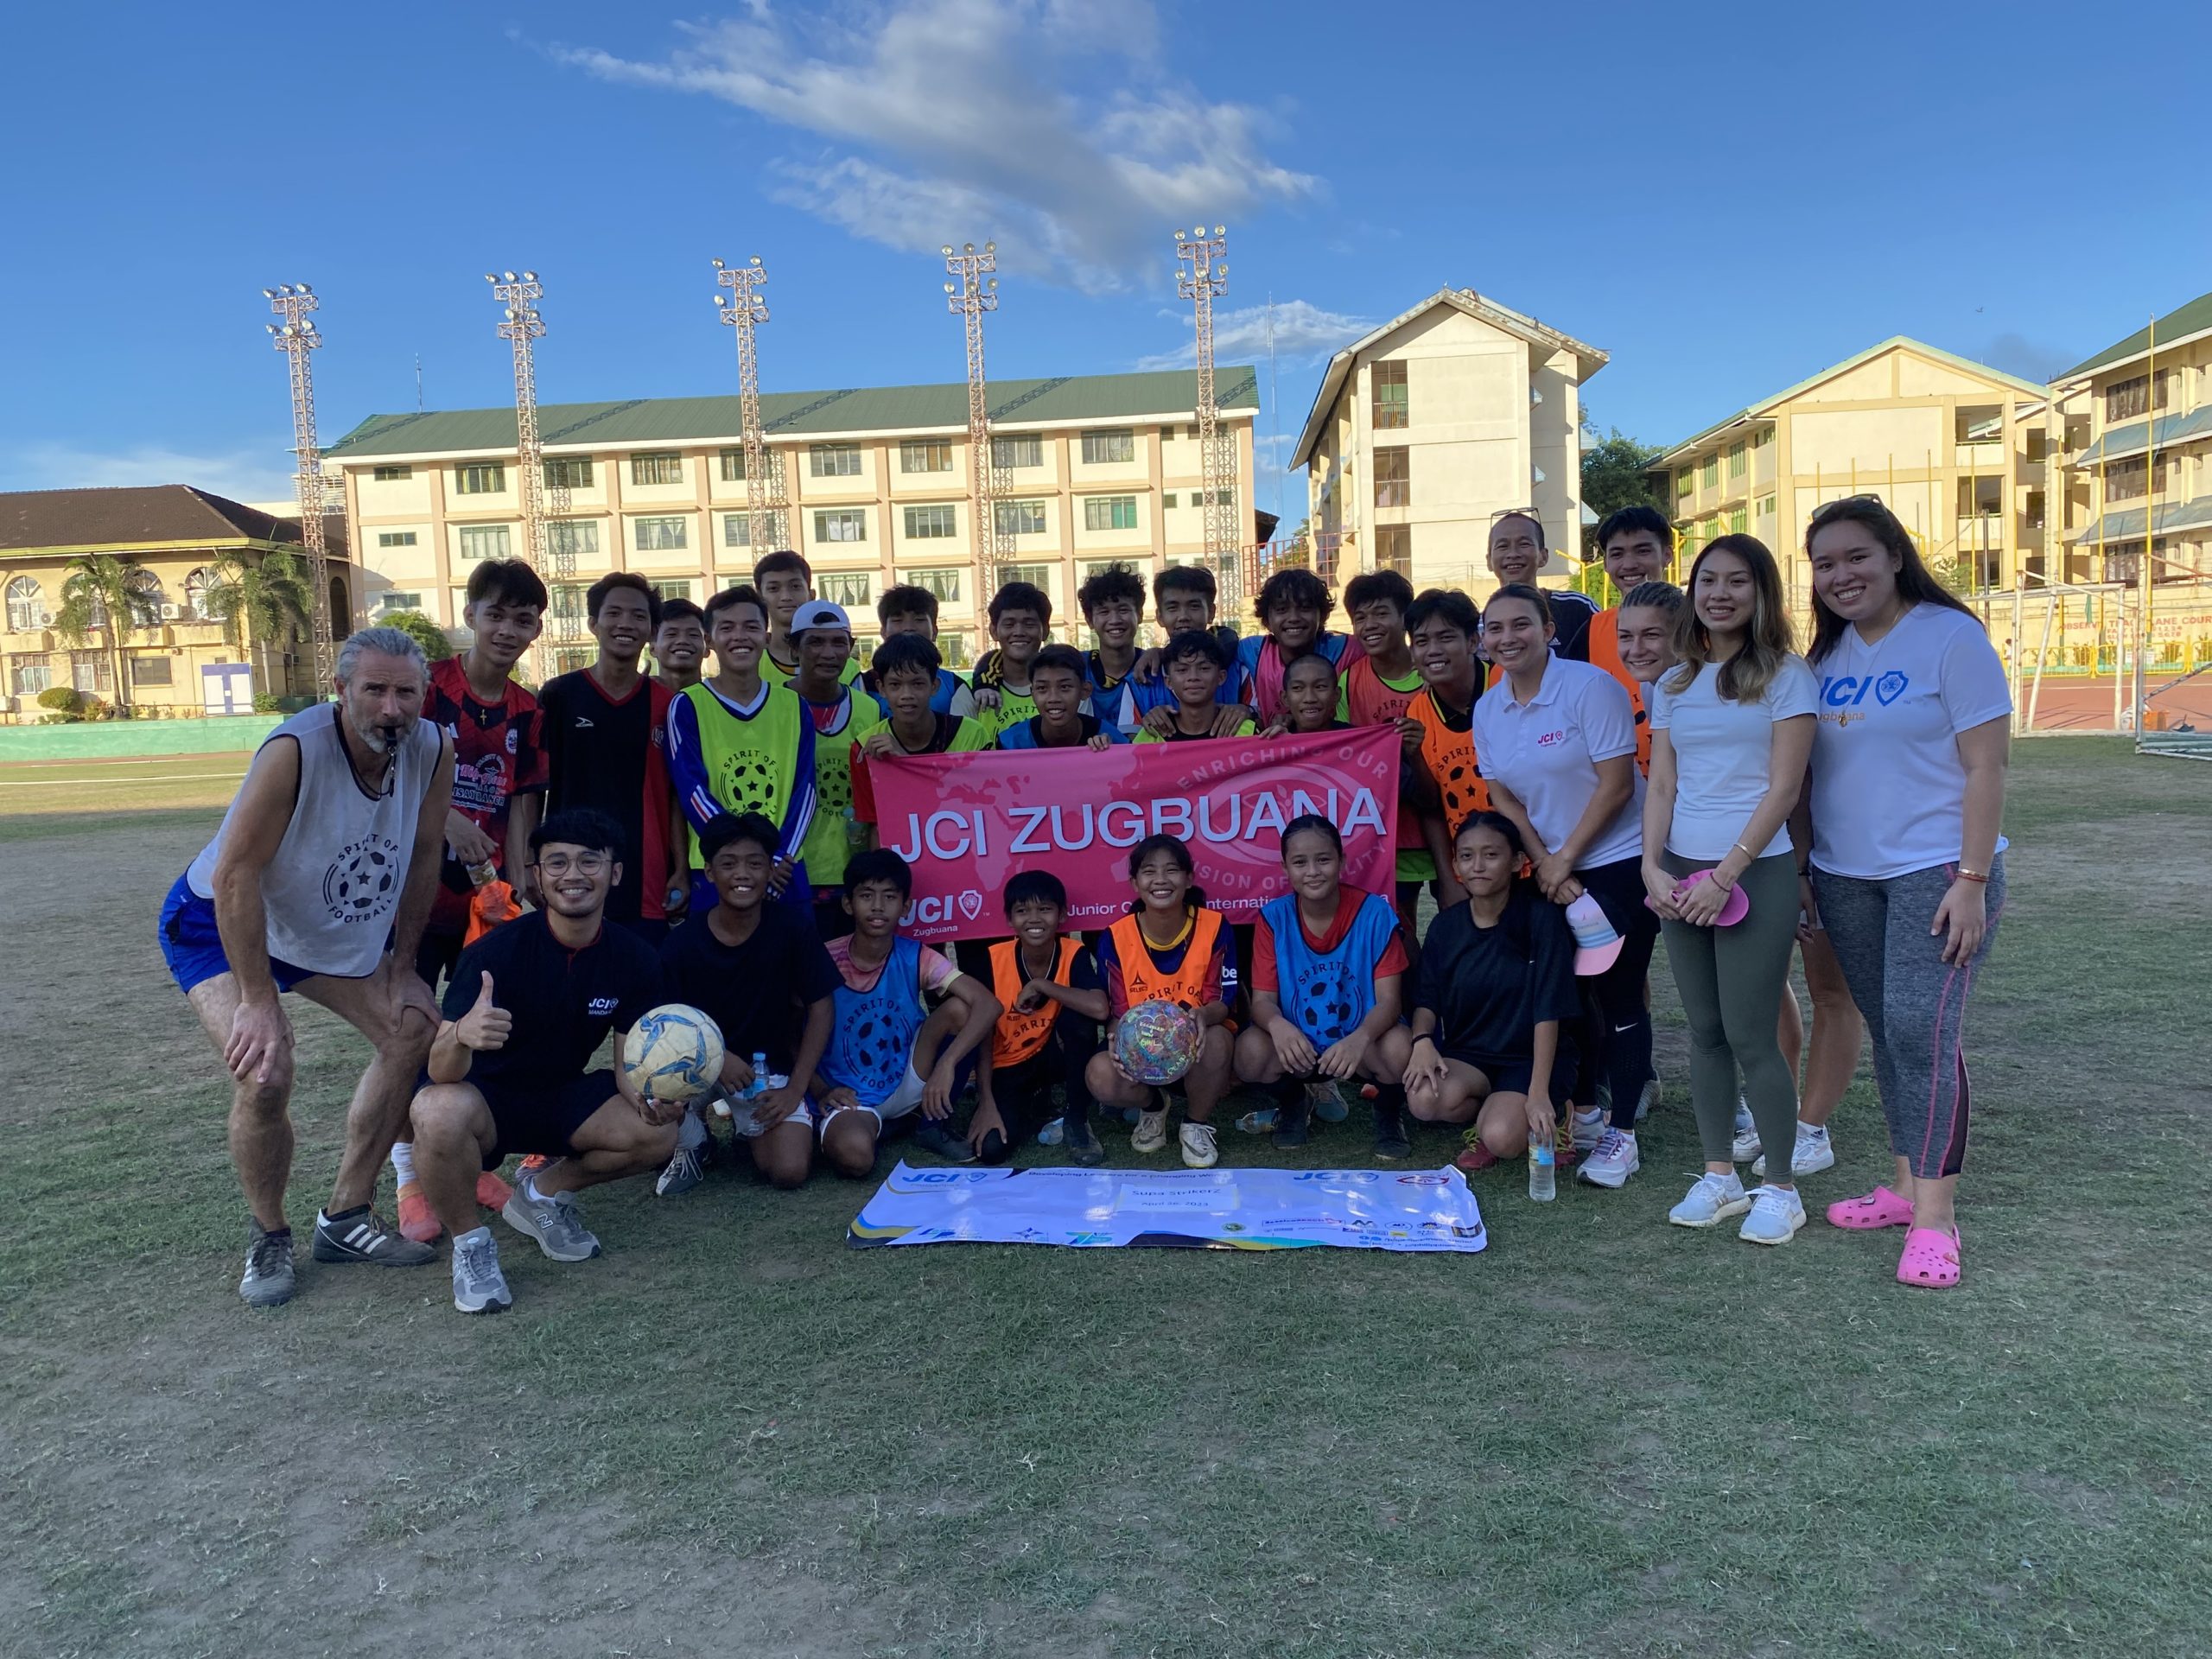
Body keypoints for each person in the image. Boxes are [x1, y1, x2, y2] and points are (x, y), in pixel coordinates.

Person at [157, 625, 454, 1306]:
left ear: (423, 697)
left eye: (405, 693)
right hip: (219, 921)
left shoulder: (433, 749)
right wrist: (259, 1001)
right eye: (374, 690)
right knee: (266, 1072)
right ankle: (269, 1235)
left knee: (415, 1026)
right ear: (340, 690)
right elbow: (235, 876)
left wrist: (404, 965)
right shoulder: (295, 749)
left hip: (320, 930)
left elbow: (425, 855)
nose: (390, 708)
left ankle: (346, 1215)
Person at [1797, 495, 2010, 1288]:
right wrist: (1808, 868)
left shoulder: (1950, 637)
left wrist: (1973, 879)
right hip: (1848, 875)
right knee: (1891, 1033)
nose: (1841, 575)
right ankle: (1900, 1186)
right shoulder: (1826, 660)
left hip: (1937, 872)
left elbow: (1986, 766)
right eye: (1824, 564)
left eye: (1856, 556)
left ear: (1893, 554)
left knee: (1925, 1032)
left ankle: (1936, 1219)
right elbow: (1812, 775)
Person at [404, 809, 677, 1315]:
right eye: (557, 863)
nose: (573, 875)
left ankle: (541, 1195)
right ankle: (472, 1247)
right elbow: (441, 1070)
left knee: (658, 1133)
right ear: (537, 876)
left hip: (560, 1096)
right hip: (484, 1101)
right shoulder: (495, 951)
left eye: (589, 862)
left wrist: (651, 1101)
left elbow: (625, 1064)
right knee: (437, 1111)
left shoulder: (636, 958)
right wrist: (463, 1033)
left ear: (615, 873)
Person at [1642, 536, 1819, 1244]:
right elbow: (1661, 783)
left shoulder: (1786, 676)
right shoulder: (1675, 682)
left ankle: (1780, 1186)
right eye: (1707, 580)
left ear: (1761, 592)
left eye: (1736, 581)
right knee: (1705, 1034)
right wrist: (1653, 867)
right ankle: (1719, 1177)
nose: (1719, 593)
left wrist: (1725, 875)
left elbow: (1784, 788)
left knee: (1752, 1035)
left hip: (1755, 871)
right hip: (1682, 873)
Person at [1471, 582, 1653, 1187]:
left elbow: (1617, 784)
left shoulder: (1588, 687)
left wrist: (1567, 858)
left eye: (1520, 624)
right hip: (1549, 866)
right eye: (1494, 629)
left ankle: (1624, 1134)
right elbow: (1500, 793)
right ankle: (1592, 1116)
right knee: (1567, 996)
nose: (1507, 638)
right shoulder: (1489, 707)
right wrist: (1544, 858)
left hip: (1620, 858)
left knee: (1618, 994)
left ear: (1549, 628)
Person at [655, 811, 838, 1195]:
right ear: (708, 872)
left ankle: (745, 1127)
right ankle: (693, 1137)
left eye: (755, 864)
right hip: (699, 1063)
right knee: (649, 1119)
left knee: (789, 1171)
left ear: (770, 870)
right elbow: (665, 1024)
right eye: (729, 863)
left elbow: (821, 1007)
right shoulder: (681, 943)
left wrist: (796, 1089)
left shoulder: (792, 929)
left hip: (763, 1072)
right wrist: (717, 1057)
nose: (743, 874)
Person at [1401, 812, 1581, 1163]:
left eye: (1491, 855)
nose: (1478, 866)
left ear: (1517, 861)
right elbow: (1428, 998)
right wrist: (1422, 1041)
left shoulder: (1540, 919)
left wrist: (1539, 1092)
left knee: (1501, 1139)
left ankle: (1553, 1113)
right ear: (1455, 864)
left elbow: (1549, 1008)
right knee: (1423, 1099)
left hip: (1529, 1058)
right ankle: (1497, 1109)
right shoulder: (1445, 926)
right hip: (1472, 1055)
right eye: (1467, 856)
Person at [1235, 815, 1415, 1157]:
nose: (1313, 871)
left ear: (1342, 862)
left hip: (1360, 1040)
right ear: (1285, 868)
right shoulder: (1274, 918)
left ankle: (1389, 1113)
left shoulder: (1375, 913)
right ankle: (1294, 1103)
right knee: (1249, 1053)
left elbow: (1390, 1002)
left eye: (1324, 859)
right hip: (1301, 1043)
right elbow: (1263, 1001)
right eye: (1300, 862)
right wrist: (1279, 1027)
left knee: (1399, 1049)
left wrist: (1359, 1039)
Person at [815, 849, 1003, 1175]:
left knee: (964, 1008)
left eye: (889, 897)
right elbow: (791, 1028)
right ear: (848, 904)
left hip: (908, 1075)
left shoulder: (915, 955)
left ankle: (931, 1123)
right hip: (850, 1094)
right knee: (856, 1159)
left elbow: (989, 1004)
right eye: (866, 896)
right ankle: (892, 1123)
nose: (877, 906)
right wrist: (820, 1090)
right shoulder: (825, 959)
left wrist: (947, 1064)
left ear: (905, 907)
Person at [416, 557, 549, 992]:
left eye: (522, 620)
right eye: (495, 615)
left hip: (482, 896)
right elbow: (390, 777)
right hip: (414, 887)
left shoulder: (528, 710)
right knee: (405, 1018)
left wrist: (511, 885)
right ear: (471, 615)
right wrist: (448, 821)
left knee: (475, 1017)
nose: (507, 631)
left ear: (537, 631)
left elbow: (518, 805)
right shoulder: (428, 687)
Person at [537, 573, 683, 942]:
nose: (625, 624)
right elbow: (533, 788)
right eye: (614, 613)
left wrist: (680, 867)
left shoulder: (667, 705)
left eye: (638, 616)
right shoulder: (559, 695)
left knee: (643, 984)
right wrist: (530, 860)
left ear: (651, 630)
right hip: (570, 868)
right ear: (592, 624)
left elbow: (675, 795)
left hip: (645, 874)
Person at [1085, 834, 1236, 1167]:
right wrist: (1115, 1040)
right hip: (1143, 1050)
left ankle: (1195, 1124)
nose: (1161, 880)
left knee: (1219, 1040)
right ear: (1135, 882)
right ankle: (1154, 1108)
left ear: (1188, 878)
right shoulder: (1116, 936)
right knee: (1100, 1074)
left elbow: (1222, 1001)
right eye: (1149, 872)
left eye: (1172, 870)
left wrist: (1202, 1014)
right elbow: (1117, 1010)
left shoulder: (1214, 926)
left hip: (1196, 1043)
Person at [666, 584, 816, 917]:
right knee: (720, 967)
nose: (740, 636)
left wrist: (774, 858)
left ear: (765, 635)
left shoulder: (794, 706)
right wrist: (744, 860)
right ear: (710, 641)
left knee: (791, 966)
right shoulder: (687, 706)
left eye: (750, 627)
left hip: (783, 870)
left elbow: (805, 791)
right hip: (717, 870)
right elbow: (691, 791)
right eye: (727, 628)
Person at [970, 871, 1109, 1166]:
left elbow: (1099, 1009)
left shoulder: (1074, 953)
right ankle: (1034, 1103)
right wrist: (986, 1102)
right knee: (991, 1151)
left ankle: (1076, 1116)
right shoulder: (993, 959)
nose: (1034, 919)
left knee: (1079, 1019)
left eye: (1045, 909)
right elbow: (980, 1036)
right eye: (1023, 911)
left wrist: (1041, 986)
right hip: (1007, 1064)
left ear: (1062, 915)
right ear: (1010, 919)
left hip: (1052, 1056)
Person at [1340, 569, 1433, 947]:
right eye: (1360, 618)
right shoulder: (1348, 681)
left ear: (1404, 618)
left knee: (1463, 926)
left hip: (1449, 824)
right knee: (1401, 933)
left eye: (1380, 614)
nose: (1369, 625)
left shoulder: (1435, 670)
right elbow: (1341, 753)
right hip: (1390, 836)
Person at [788, 599, 887, 939]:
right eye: (815, 642)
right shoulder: (775, 704)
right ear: (793, 648)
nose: (828, 652)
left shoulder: (868, 708)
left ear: (852, 648)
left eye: (838, 642)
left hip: (852, 871)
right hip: (792, 869)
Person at [850, 633, 996, 845]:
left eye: (917, 684)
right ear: (881, 689)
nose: (906, 694)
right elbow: (876, 827)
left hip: (967, 849)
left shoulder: (972, 734)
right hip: (901, 860)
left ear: (934, 686)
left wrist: (903, 766)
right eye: (895, 685)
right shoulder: (864, 747)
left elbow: (983, 807)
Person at [1403, 588, 1492, 908]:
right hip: (1469, 869)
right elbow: (1431, 807)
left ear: (1473, 642)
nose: (1433, 650)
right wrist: (1448, 878)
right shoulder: (1418, 711)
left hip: (1526, 859)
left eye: (1446, 637)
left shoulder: (1506, 687)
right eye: (1422, 641)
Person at [1116, 565, 1249, 735]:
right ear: (1159, 617)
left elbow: (1264, 728)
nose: (1183, 616)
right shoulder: (1139, 682)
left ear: (1211, 612)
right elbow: (1128, 748)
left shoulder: (1239, 672)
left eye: (1194, 606)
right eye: (1173, 607)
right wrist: (1147, 729)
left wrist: (1248, 712)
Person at [1592, 510, 1675, 771]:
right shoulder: (1592, 629)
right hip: (1625, 793)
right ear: (1605, 563)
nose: (1629, 564)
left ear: (1667, 555)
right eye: (1617, 554)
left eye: (1642, 550)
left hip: (1695, 793)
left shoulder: (1702, 625)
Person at [1234, 568, 1364, 728]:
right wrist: (1247, 710)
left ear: (1322, 616)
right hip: (1277, 751)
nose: (1294, 618)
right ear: (1267, 620)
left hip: (1335, 750)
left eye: (1305, 608)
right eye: (1282, 609)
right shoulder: (1251, 650)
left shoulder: (1348, 648)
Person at [1485, 511, 1599, 664]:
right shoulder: (1480, 624)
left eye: (1524, 544)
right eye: (1503, 546)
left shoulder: (1579, 609)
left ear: (1543, 556)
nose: (1513, 554)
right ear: (1489, 561)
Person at [861, 584, 976, 717]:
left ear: (935, 631)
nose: (908, 628)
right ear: (883, 632)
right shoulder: (864, 686)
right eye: (898, 620)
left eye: (919, 620)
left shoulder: (955, 687)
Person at [754, 550, 859, 687]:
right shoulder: (752, 665)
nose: (786, 596)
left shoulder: (847, 667)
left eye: (795, 586)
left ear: (811, 595)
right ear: (759, 598)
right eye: (774, 588)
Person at [1132, 630, 1258, 742]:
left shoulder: (1245, 732)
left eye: (1204, 668)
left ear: (1221, 677)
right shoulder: (1152, 735)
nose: (1193, 677)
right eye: (1182, 670)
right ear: (1168, 682)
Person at [995, 643, 1128, 750]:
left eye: (1065, 687)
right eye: (1042, 688)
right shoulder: (1010, 744)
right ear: (1032, 693)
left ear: (1085, 690)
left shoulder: (1109, 739)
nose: (1054, 698)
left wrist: (1110, 754)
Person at [971, 580, 1053, 730]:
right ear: (994, 632)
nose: (1019, 632)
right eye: (1009, 624)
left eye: (1029, 624)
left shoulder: (1067, 690)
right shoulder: (970, 693)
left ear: (1045, 631)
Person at [1075, 562, 1147, 712]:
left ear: (1140, 615)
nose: (1114, 620)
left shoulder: (1155, 668)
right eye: (1104, 612)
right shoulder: (1076, 668)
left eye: (1123, 610)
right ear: (1089, 620)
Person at [1272, 651, 1346, 735]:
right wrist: (1280, 744)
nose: (1309, 699)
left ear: (1336, 695)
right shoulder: (1276, 741)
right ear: (1285, 698)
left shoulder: (1355, 740)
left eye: (1320, 687)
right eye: (1298, 688)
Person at [652, 597, 708, 692]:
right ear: (653, 648)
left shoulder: (723, 699)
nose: (682, 640)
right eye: (671, 634)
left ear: (707, 648)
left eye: (693, 635)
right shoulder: (640, 697)